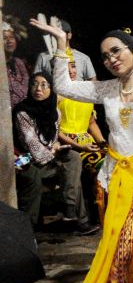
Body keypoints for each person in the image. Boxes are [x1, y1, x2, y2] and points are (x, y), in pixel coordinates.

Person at [31, 0, 133, 283]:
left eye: (116, 51)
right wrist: (62, 44)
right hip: (114, 179)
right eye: (105, 55)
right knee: (118, 246)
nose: (110, 59)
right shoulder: (106, 90)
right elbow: (63, 86)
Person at [12, 71, 98, 235]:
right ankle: (32, 229)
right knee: (65, 171)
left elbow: (52, 140)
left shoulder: (55, 112)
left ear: (51, 89)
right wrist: (54, 149)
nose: (38, 89)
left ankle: (71, 211)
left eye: (44, 85)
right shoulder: (23, 113)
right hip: (26, 159)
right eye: (34, 84)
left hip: (48, 157)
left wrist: (57, 147)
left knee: (73, 158)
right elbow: (35, 150)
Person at [57, 59, 106, 172]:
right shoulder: (54, 95)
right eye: (65, 68)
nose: (71, 71)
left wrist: (102, 143)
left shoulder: (84, 91)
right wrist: (79, 146)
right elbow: (55, 130)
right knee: (100, 165)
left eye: (73, 66)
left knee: (118, 160)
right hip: (67, 143)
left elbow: (91, 123)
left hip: (88, 142)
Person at [3, 15, 30, 107]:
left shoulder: (19, 62)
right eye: (4, 38)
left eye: (12, 37)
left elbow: (26, 86)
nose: (9, 41)